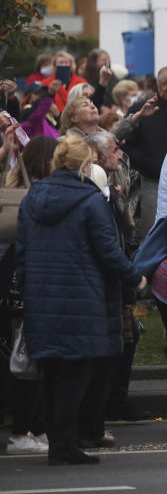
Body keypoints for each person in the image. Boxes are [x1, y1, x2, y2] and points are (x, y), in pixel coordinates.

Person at [16, 137, 147, 465]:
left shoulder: (33, 197)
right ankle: (65, 444)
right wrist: (135, 276)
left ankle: (57, 441)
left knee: (51, 370)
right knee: (75, 372)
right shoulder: (90, 201)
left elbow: (22, 250)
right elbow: (108, 250)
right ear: (84, 166)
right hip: (81, 298)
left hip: (41, 296)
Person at [1, 136, 58, 456]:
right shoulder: (42, 196)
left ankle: (30, 426)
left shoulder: (22, 190)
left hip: (12, 283)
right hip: (25, 285)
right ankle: (24, 429)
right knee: (29, 360)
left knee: (23, 357)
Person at [113, 64, 167, 241]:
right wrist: (147, 164)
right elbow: (125, 143)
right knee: (153, 230)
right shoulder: (141, 110)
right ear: (163, 86)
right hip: (152, 182)